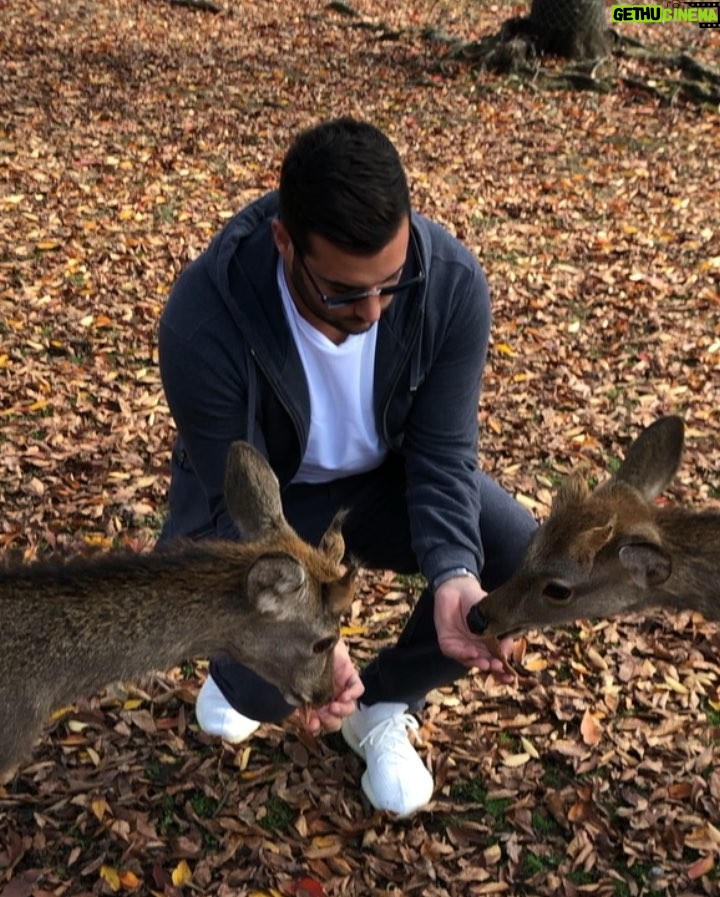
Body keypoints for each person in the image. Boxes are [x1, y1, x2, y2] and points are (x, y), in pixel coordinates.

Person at [158, 117, 537, 817]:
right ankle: (238, 681)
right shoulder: (203, 319)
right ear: (285, 243)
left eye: (390, 284)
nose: (371, 311)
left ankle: (385, 701)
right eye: (342, 292)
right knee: (269, 682)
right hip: (266, 507)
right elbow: (234, 507)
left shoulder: (448, 283)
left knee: (517, 561)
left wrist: (454, 570)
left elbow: (444, 452)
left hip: (379, 483)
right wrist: (308, 639)